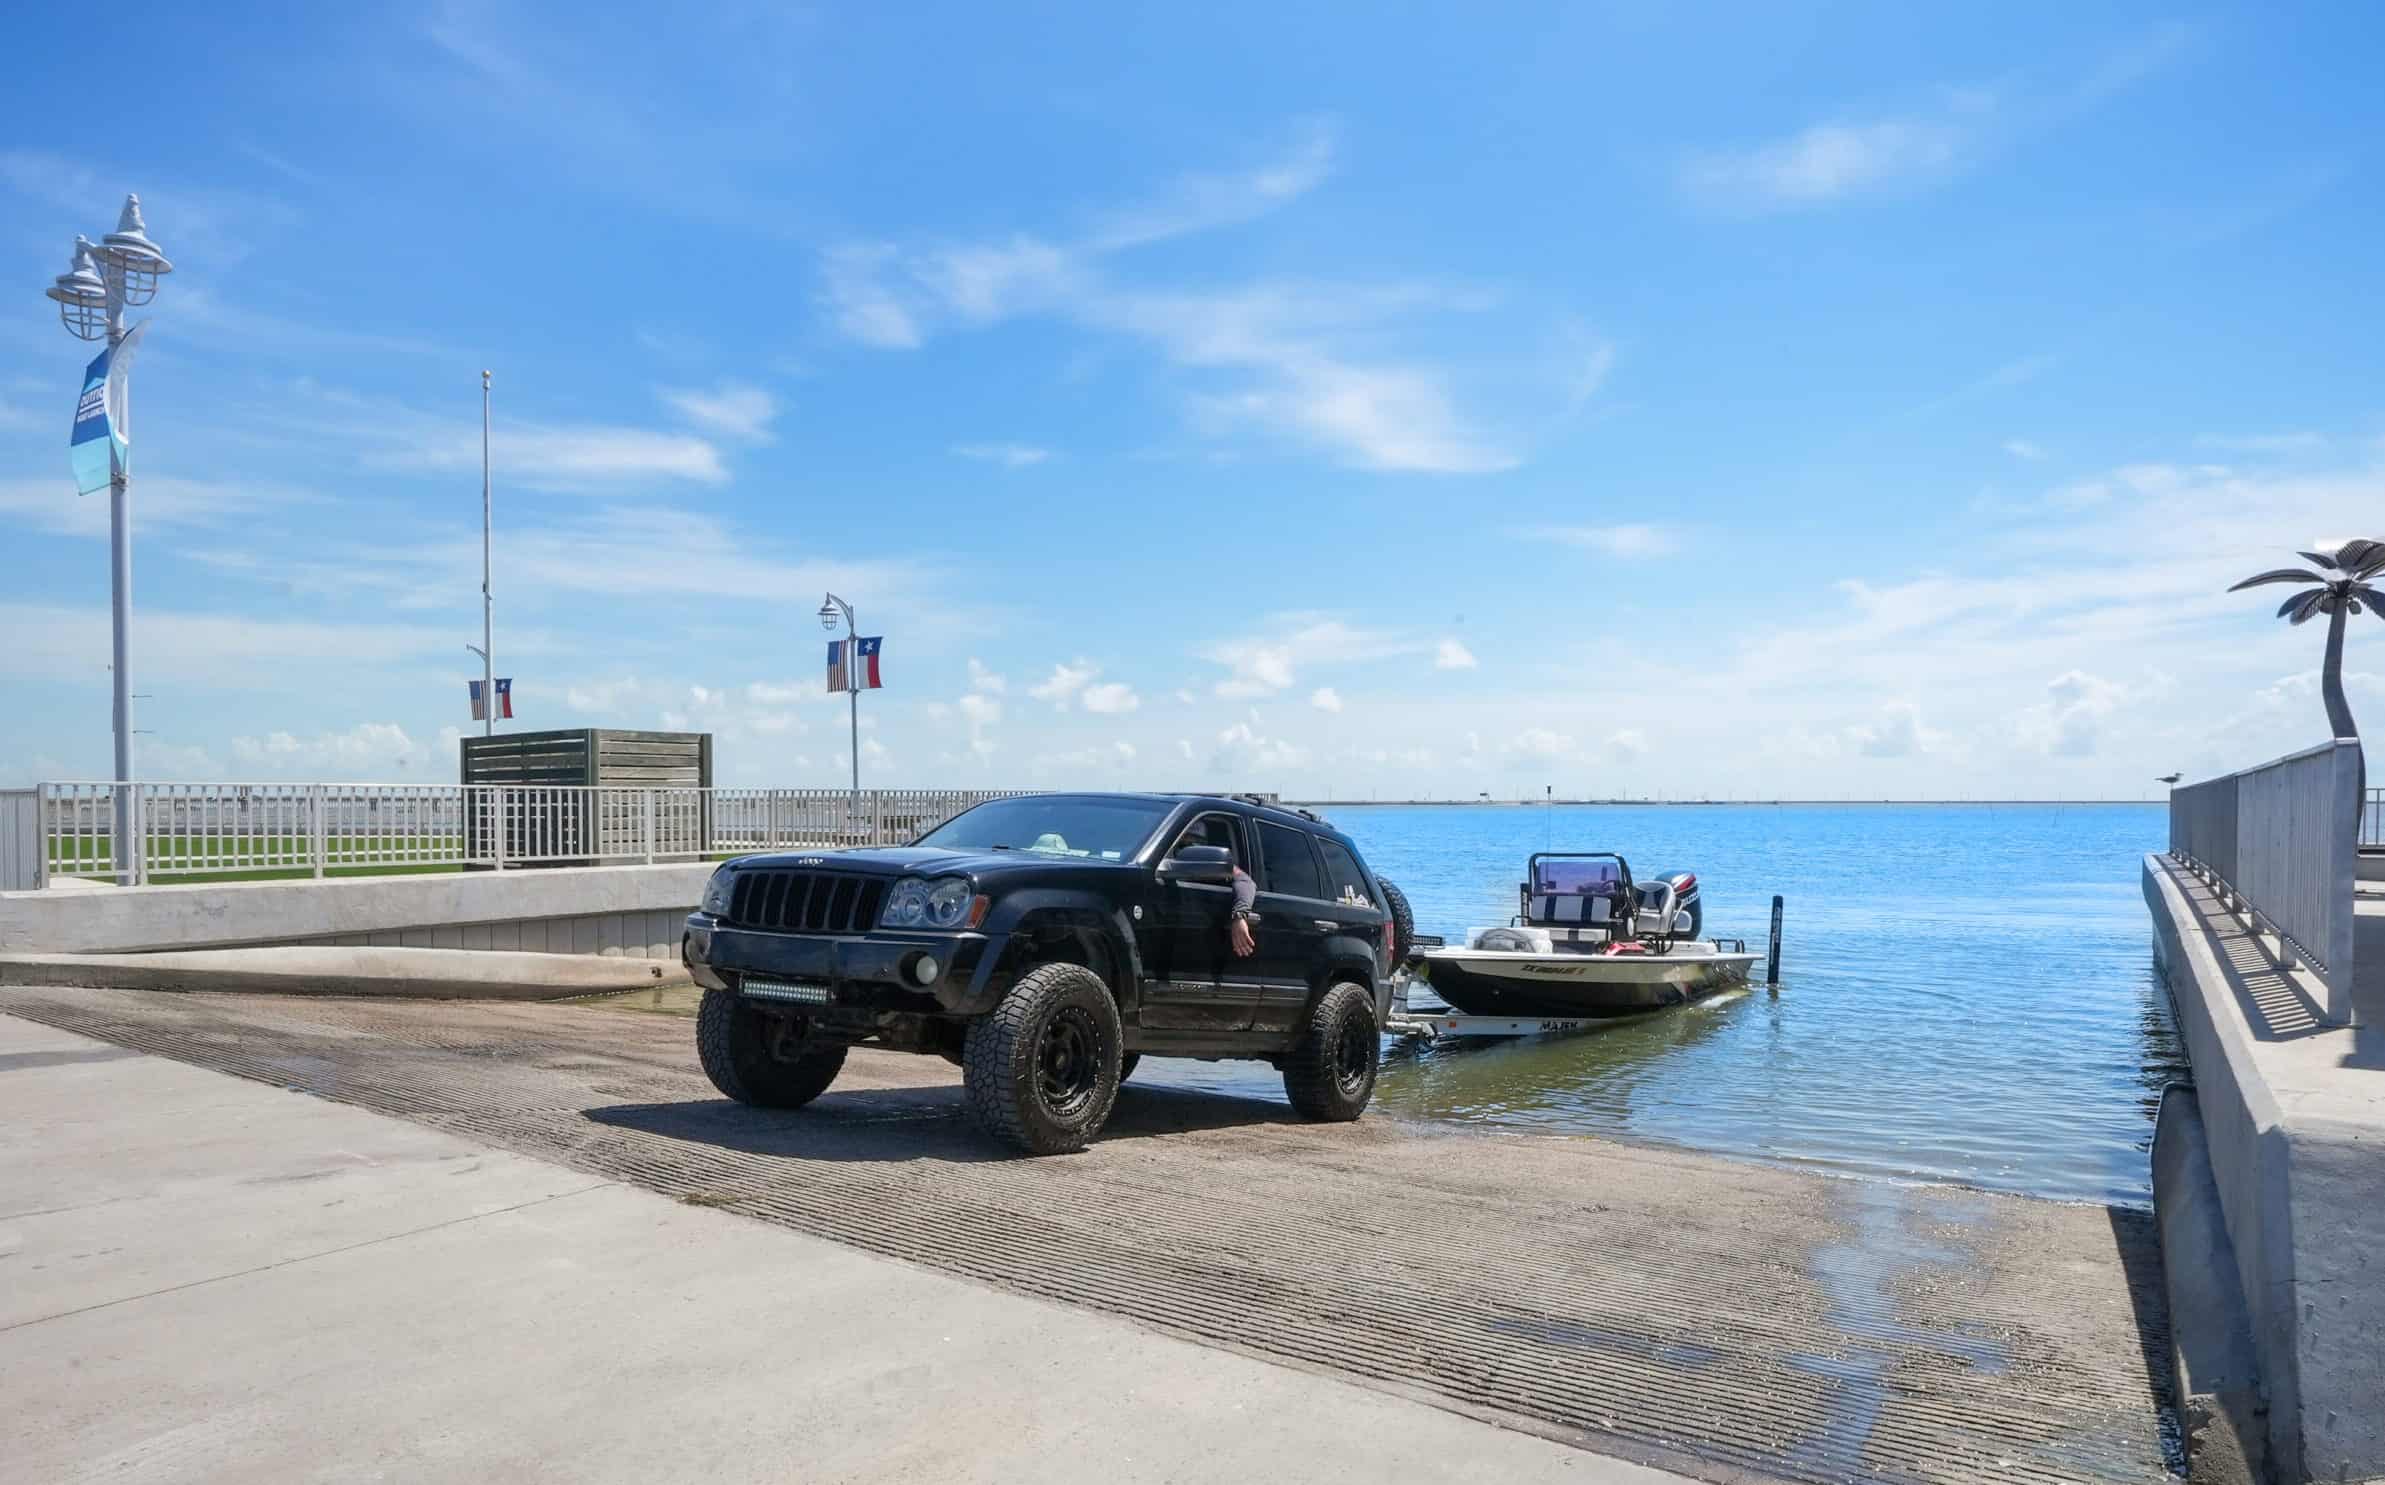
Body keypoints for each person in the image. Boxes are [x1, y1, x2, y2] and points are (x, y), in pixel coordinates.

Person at [1170, 821, 1258, 958]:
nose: (1188, 852)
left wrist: (1239, 915)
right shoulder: (1163, 866)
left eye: (1195, 845)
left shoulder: (1213, 867)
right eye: (1182, 846)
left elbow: (1245, 881)